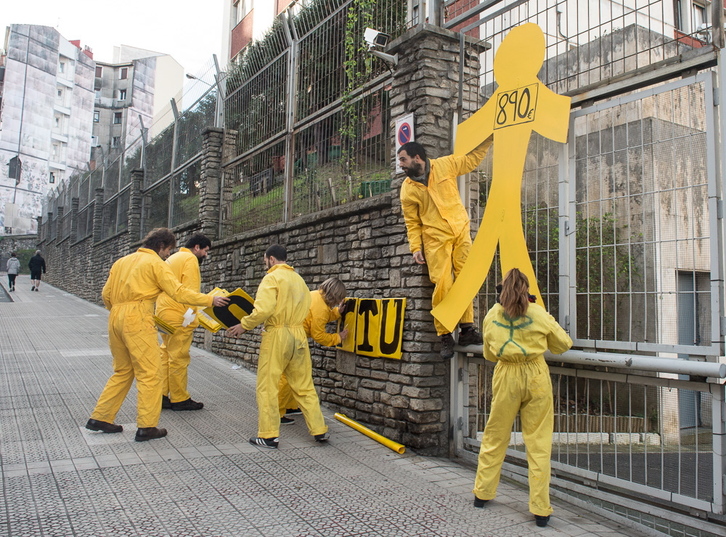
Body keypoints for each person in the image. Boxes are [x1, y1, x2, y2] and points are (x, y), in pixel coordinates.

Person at [85, 228, 229, 442]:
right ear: (161, 246)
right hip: (138, 316)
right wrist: (209, 300)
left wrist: (118, 312)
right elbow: (178, 292)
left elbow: (106, 294)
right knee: (150, 373)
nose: (168, 255)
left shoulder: (121, 262)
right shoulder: (155, 263)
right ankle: (147, 426)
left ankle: (101, 417)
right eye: (168, 250)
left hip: (115, 316)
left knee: (123, 370)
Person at [472, 268, 572, 528]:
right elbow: (563, 344)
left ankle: (482, 493)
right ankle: (540, 509)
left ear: (501, 289)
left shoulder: (492, 315)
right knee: (538, 442)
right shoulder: (538, 313)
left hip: (506, 374)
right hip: (536, 374)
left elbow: (489, 354)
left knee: (495, 435)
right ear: (527, 290)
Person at [226, 244, 329, 449]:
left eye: (265, 260)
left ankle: (269, 435)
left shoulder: (271, 278)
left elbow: (263, 310)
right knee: (304, 385)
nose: (265, 264)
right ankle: (319, 429)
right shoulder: (299, 279)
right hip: (298, 335)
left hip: (277, 335)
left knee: (267, 386)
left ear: (271, 259)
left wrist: (244, 325)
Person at [397, 139, 491, 359]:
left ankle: (467, 329)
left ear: (417, 158)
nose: (400, 164)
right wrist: (415, 247)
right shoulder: (407, 189)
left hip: (460, 230)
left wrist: (487, 140)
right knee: (442, 283)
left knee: (465, 278)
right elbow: (412, 221)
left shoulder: (444, 165)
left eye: (403, 159)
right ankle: (445, 333)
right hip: (435, 238)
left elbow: (470, 161)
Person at [155, 233, 214, 411]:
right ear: (197, 247)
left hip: (163, 313)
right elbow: (190, 291)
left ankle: (161, 395)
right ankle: (180, 398)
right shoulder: (190, 259)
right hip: (179, 315)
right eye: (205, 251)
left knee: (166, 354)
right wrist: (190, 316)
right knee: (179, 357)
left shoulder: (173, 258)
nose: (206, 255)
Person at [278, 277, 348, 423]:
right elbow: (319, 335)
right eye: (338, 299)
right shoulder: (321, 308)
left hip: (287, 337)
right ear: (335, 295)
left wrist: (337, 313)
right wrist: (338, 337)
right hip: (293, 340)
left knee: (294, 376)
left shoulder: (315, 295)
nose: (337, 302)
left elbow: (319, 316)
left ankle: (289, 406)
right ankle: (277, 413)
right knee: (287, 377)